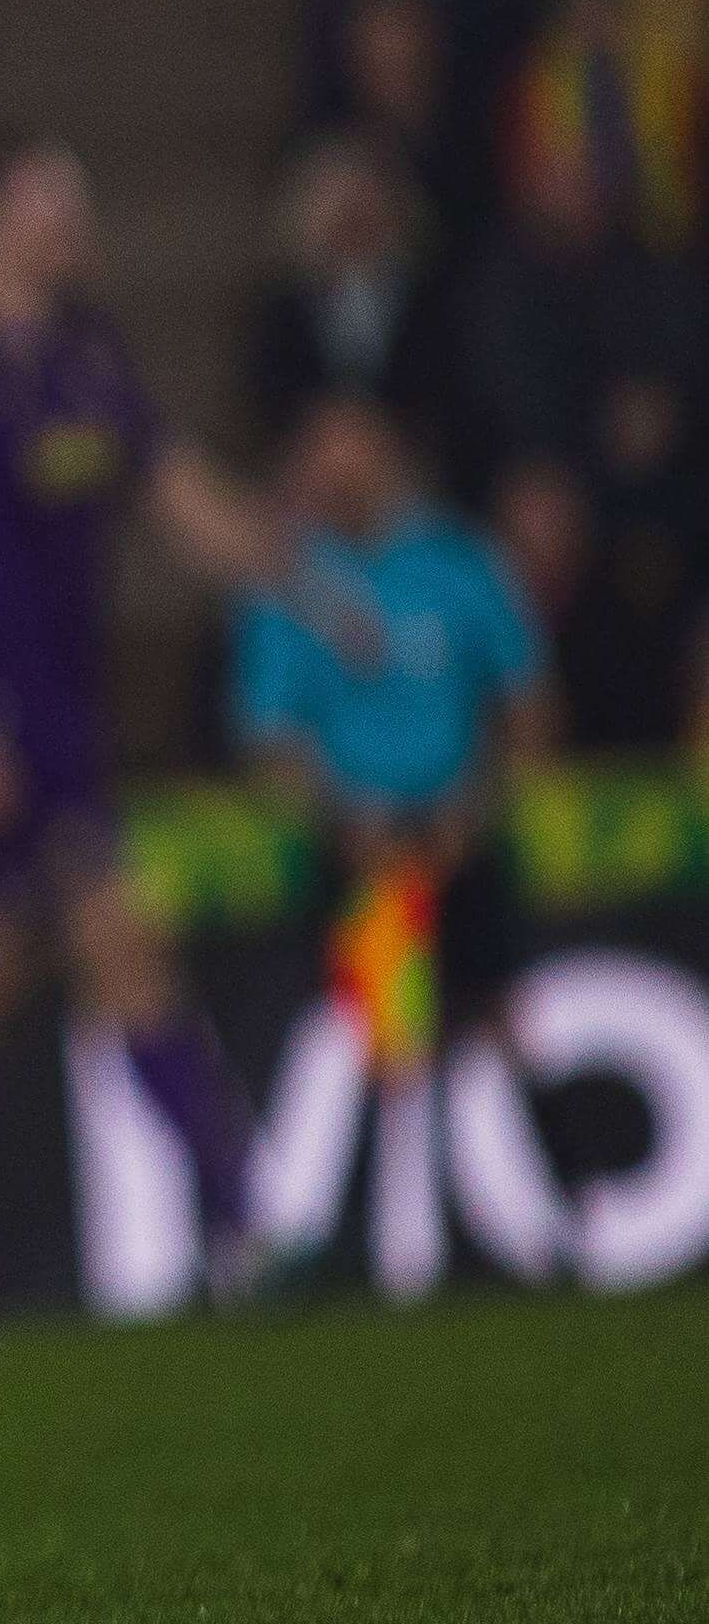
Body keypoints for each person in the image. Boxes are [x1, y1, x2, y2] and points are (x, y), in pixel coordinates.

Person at [0, 138, 302, 1312]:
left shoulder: (83, 363)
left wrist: (306, 580)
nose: (69, 215)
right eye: (42, 197)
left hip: (69, 709)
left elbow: (178, 494)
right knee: (115, 945)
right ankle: (241, 1220)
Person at [231, 390, 548, 1288]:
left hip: (460, 829)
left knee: (489, 1021)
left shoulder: (458, 563)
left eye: (354, 443)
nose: (339, 465)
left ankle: (545, 1212)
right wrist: (346, 819)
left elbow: (525, 700)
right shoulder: (293, 580)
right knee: (375, 1036)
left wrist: (470, 810)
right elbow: (269, 738)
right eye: (322, 446)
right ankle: (359, 1232)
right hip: (358, 841)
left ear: (388, 451)